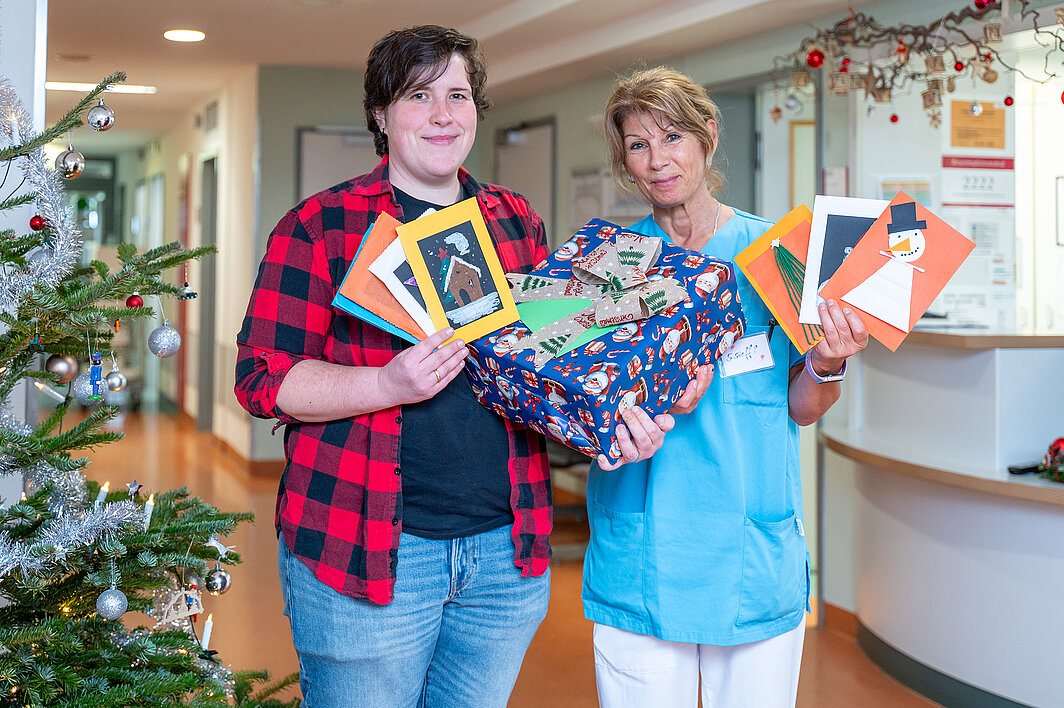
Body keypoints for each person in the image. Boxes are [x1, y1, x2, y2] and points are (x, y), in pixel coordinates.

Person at [234, 26, 671, 708]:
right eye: (419, 96)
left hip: (506, 554)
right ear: (381, 114)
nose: (443, 114)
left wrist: (608, 422)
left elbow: (546, 365)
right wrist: (385, 384)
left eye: (458, 95)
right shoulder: (321, 227)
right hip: (368, 552)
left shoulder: (513, 221)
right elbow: (263, 379)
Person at [582, 66, 869, 707]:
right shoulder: (608, 267)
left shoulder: (778, 255)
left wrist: (827, 362)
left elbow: (801, 405)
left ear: (708, 136)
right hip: (644, 550)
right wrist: (651, 397)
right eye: (637, 144)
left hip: (748, 548)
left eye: (673, 137)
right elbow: (578, 405)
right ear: (623, 160)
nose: (658, 161)